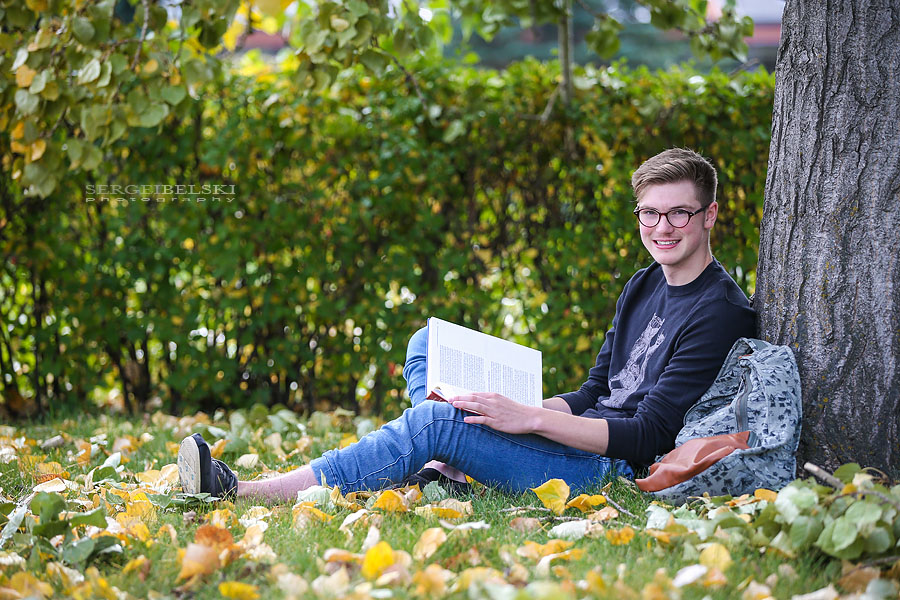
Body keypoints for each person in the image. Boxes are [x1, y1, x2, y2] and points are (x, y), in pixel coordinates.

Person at [177, 148, 756, 502]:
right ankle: (442, 466)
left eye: (678, 212)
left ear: (708, 214)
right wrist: (505, 406)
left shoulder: (719, 310)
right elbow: (592, 394)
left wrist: (525, 417)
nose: (662, 227)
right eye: (650, 213)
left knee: (436, 422)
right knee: (428, 343)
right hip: (579, 437)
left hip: (609, 471)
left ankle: (242, 491)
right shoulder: (644, 283)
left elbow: (648, 436)